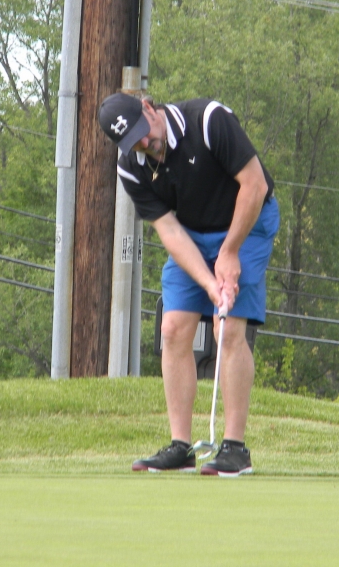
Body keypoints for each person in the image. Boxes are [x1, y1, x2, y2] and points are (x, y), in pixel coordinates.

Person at [98, 92, 279, 477]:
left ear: (149, 108)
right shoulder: (131, 168)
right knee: (173, 328)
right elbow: (170, 231)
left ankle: (235, 449)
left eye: (144, 132)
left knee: (226, 327)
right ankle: (181, 447)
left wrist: (229, 253)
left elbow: (255, 185)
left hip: (247, 222)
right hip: (191, 234)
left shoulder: (208, 121)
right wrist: (208, 282)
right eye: (133, 142)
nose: (145, 143)